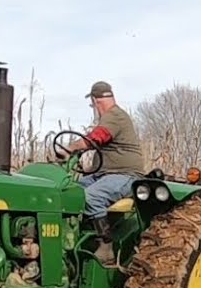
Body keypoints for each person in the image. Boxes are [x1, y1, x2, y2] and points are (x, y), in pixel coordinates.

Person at [60, 80, 144, 265]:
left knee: (92, 196)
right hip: (105, 174)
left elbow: (96, 138)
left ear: (95, 101)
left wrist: (69, 149)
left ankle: (106, 245)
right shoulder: (111, 117)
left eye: (92, 104)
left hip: (126, 176)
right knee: (67, 191)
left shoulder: (115, 116)